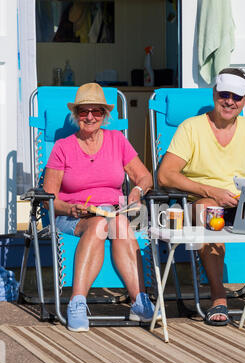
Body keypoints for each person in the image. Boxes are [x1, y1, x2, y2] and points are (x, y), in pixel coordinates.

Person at [157, 68, 245, 326]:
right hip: (203, 199)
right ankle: (218, 296)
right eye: (224, 94)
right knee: (209, 210)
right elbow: (165, 175)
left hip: (242, 200)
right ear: (215, 93)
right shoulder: (191, 128)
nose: (230, 101)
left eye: (236, 97)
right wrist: (210, 191)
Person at [43, 82, 159, 332]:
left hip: (113, 211)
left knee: (117, 222)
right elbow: (49, 198)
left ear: (104, 115)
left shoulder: (117, 140)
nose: (90, 117)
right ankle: (76, 302)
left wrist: (137, 192)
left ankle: (139, 300)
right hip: (73, 215)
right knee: (97, 225)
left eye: (96, 111)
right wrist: (70, 208)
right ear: (76, 115)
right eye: (84, 111)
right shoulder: (63, 147)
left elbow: (145, 177)